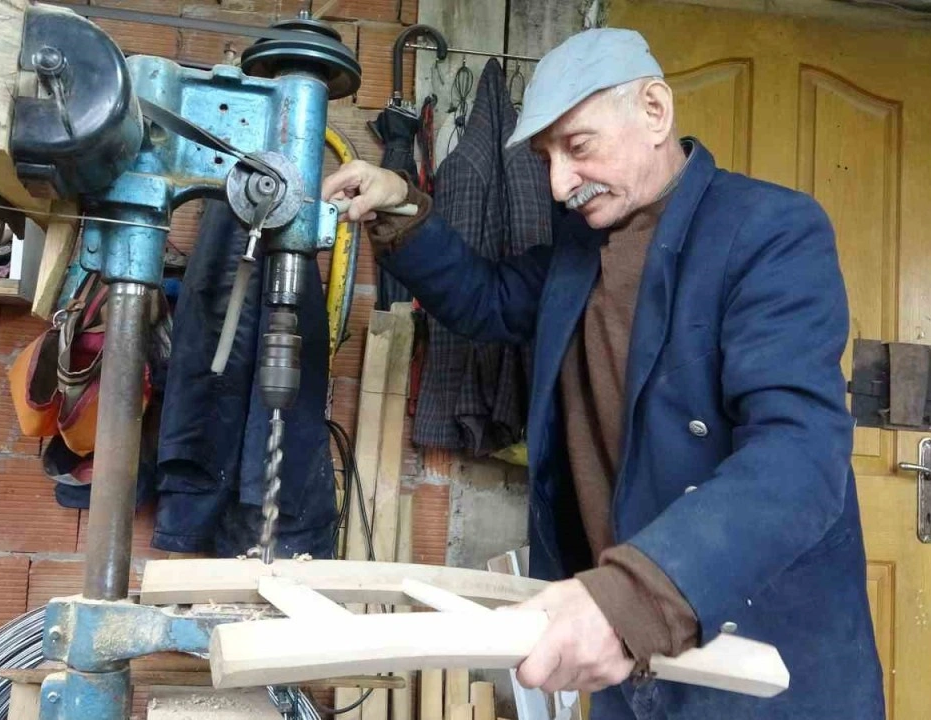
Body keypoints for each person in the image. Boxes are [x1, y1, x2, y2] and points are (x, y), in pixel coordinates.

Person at [321, 27, 884, 720]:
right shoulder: (581, 249)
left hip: (751, 651)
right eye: (546, 158)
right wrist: (399, 203)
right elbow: (485, 300)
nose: (559, 185)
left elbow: (800, 456)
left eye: (579, 146)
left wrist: (631, 600)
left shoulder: (770, 230)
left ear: (655, 110)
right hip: (626, 650)